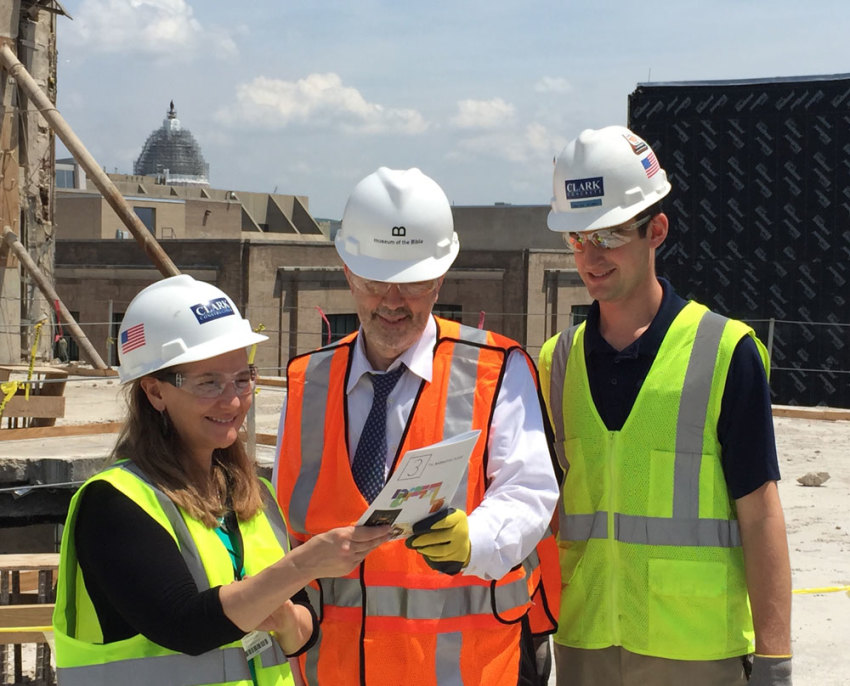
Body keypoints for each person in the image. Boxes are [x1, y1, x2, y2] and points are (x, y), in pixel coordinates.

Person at [274, 167, 561, 686]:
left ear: (441, 277)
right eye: (374, 280)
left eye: (413, 283)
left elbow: (531, 491)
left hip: (462, 672)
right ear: (346, 272)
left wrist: (475, 537)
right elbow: (281, 525)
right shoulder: (306, 381)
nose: (391, 300)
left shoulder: (497, 369)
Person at [537, 126, 793, 686]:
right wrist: (533, 627)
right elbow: (547, 512)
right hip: (583, 644)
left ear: (656, 230)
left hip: (697, 651)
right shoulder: (556, 363)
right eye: (578, 238)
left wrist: (775, 659)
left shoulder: (726, 352)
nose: (591, 256)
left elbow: (762, 514)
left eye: (609, 235)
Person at [52, 275, 390, 686]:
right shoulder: (114, 504)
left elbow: (302, 633)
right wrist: (304, 564)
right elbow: (187, 626)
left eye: (242, 380)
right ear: (155, 392)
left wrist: (283, 615)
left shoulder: (254, 496)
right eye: (209, 382)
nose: (232, 401)